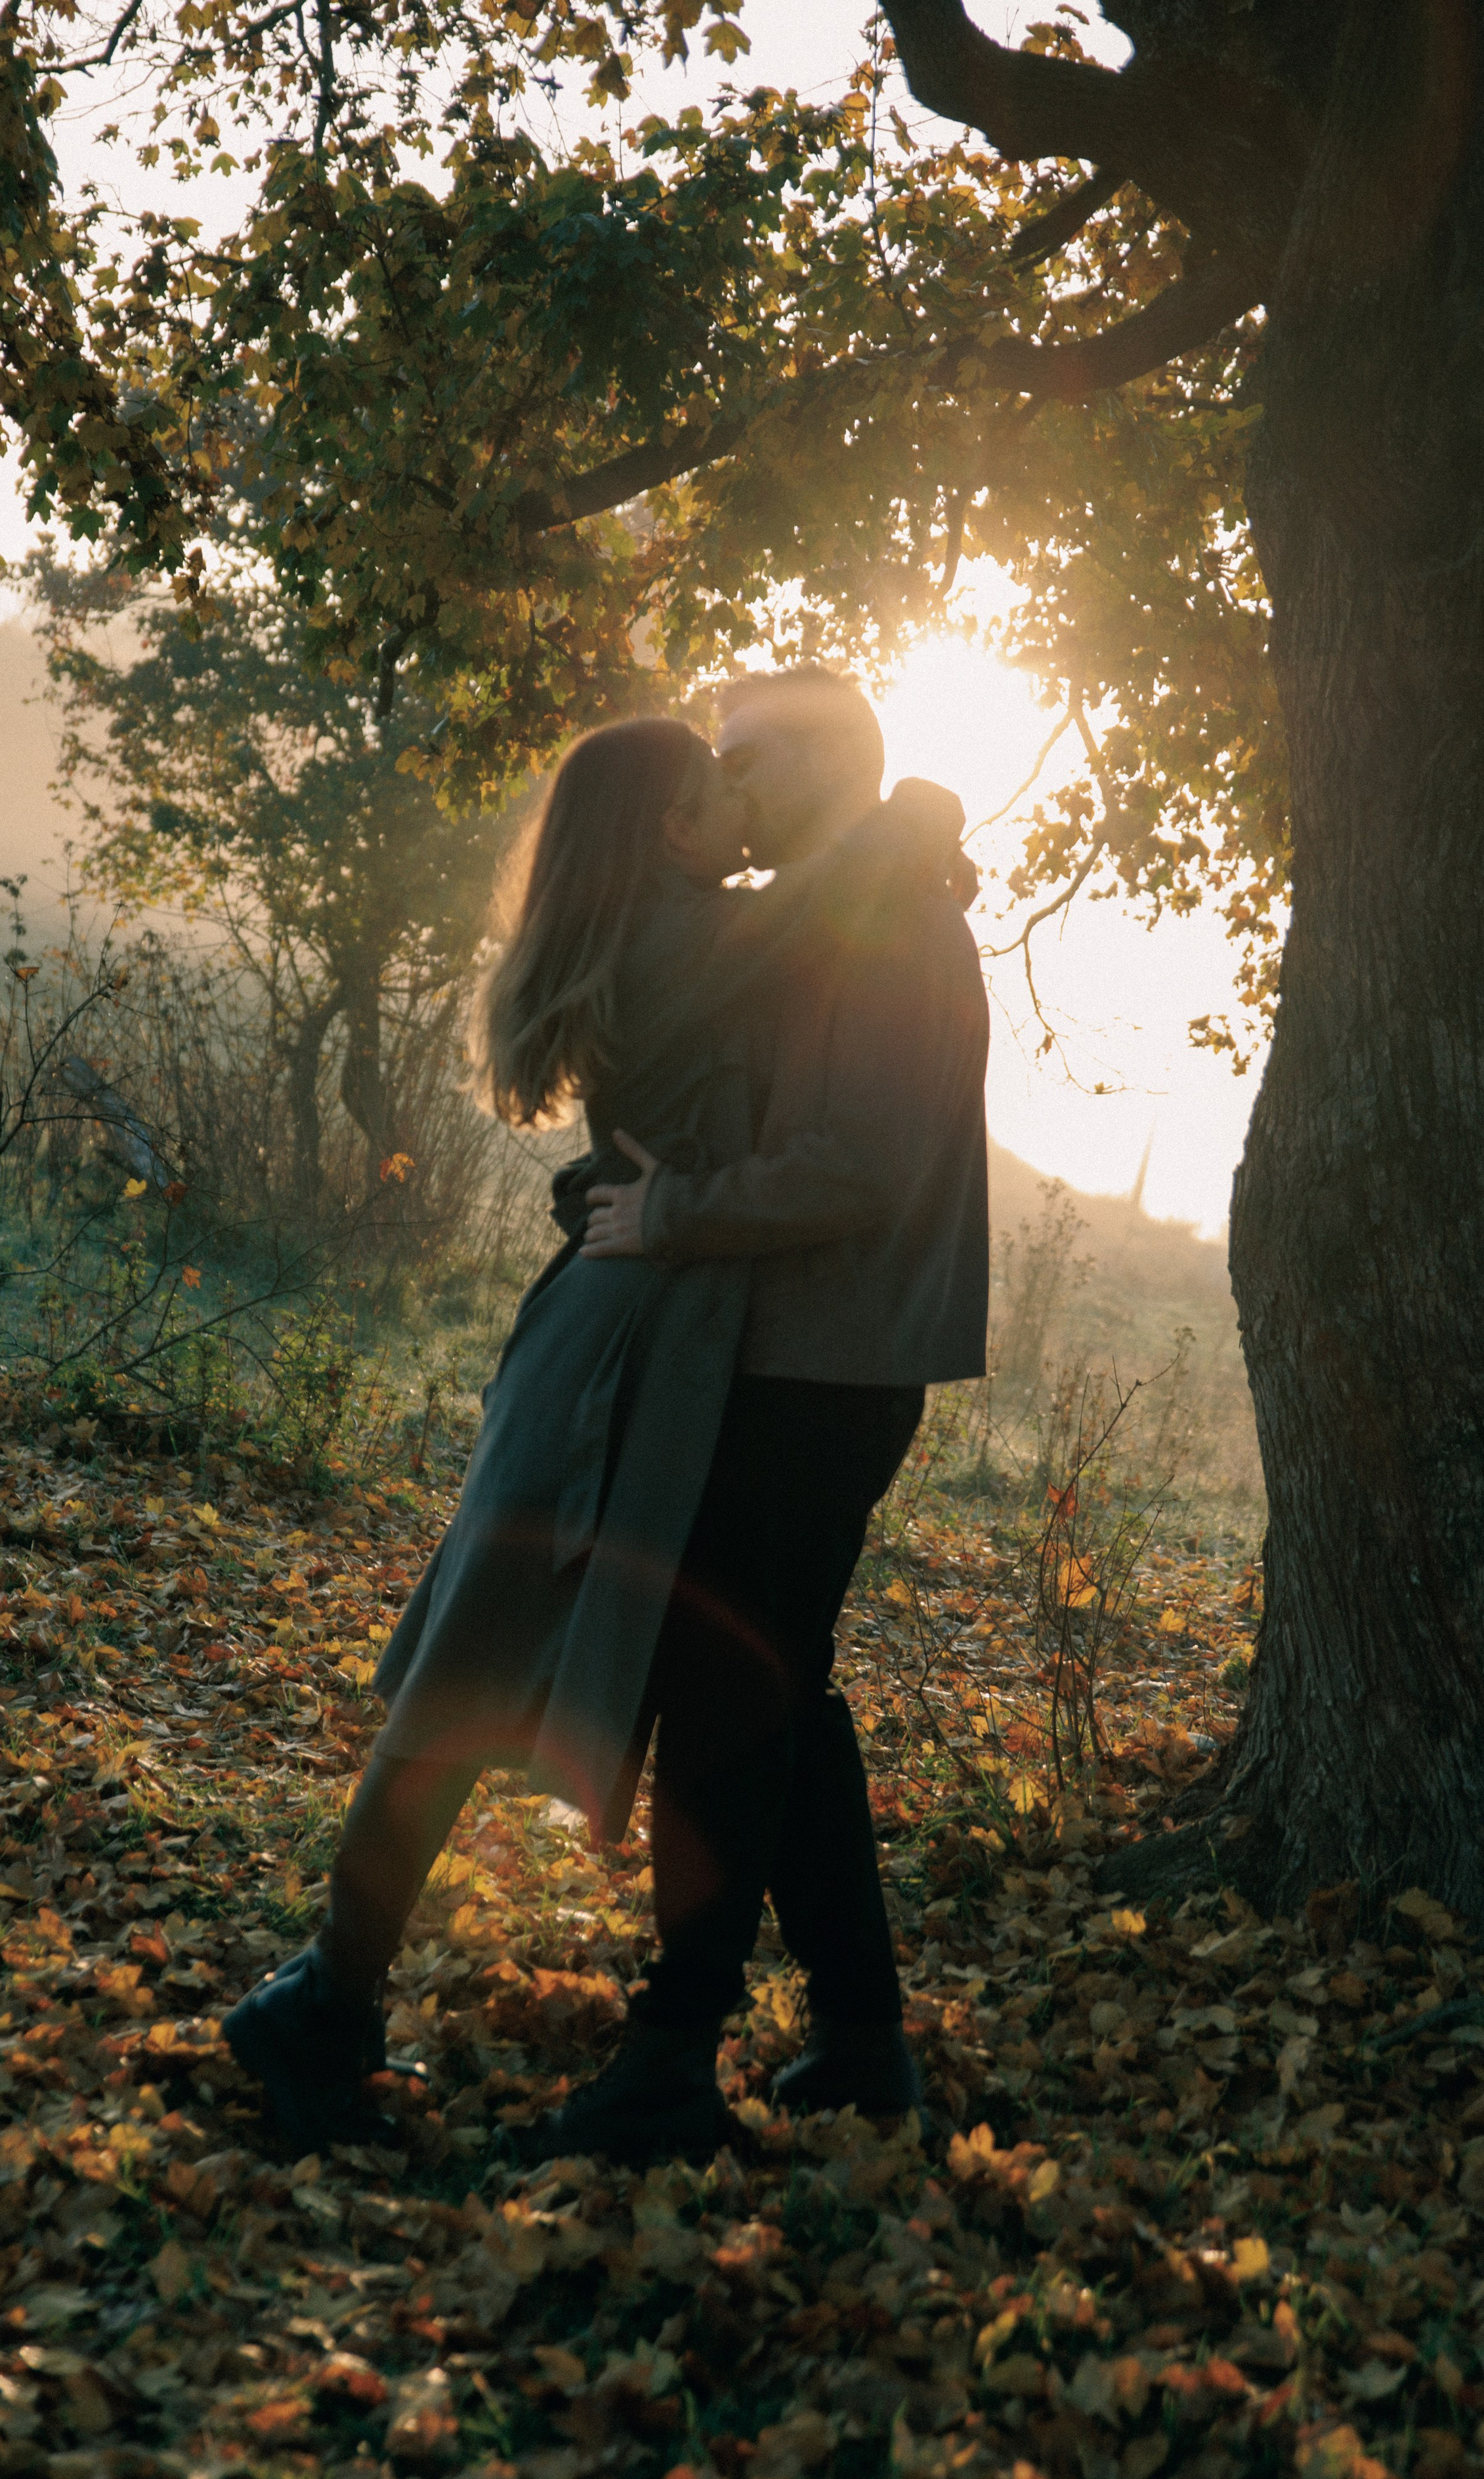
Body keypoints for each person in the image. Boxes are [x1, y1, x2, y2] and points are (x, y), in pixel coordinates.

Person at [221, 712, 971, 2153]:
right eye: (707, 792)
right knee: (470, 1668)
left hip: (636, 1336)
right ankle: (326, 1998)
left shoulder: (668, 925)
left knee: (602, 1674)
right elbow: (811, 917)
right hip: (616, 1349)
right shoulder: (683, 940)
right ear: (658, 836)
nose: (734, 810)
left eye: (743, 777)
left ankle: (345, 1998)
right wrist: (905, 821)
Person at [537, 666, 989, 2161]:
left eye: (742, 759)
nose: (720, 787)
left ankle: (671, 2057)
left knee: (727, 1708)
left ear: (824, 768)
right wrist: (625, 1181)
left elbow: (856, 1163)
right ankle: (863, 2050)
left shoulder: (893, 922)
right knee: (778, 1702)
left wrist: (672, 1212)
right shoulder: (823, 915)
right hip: (783, 1360)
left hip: (824, 1374)